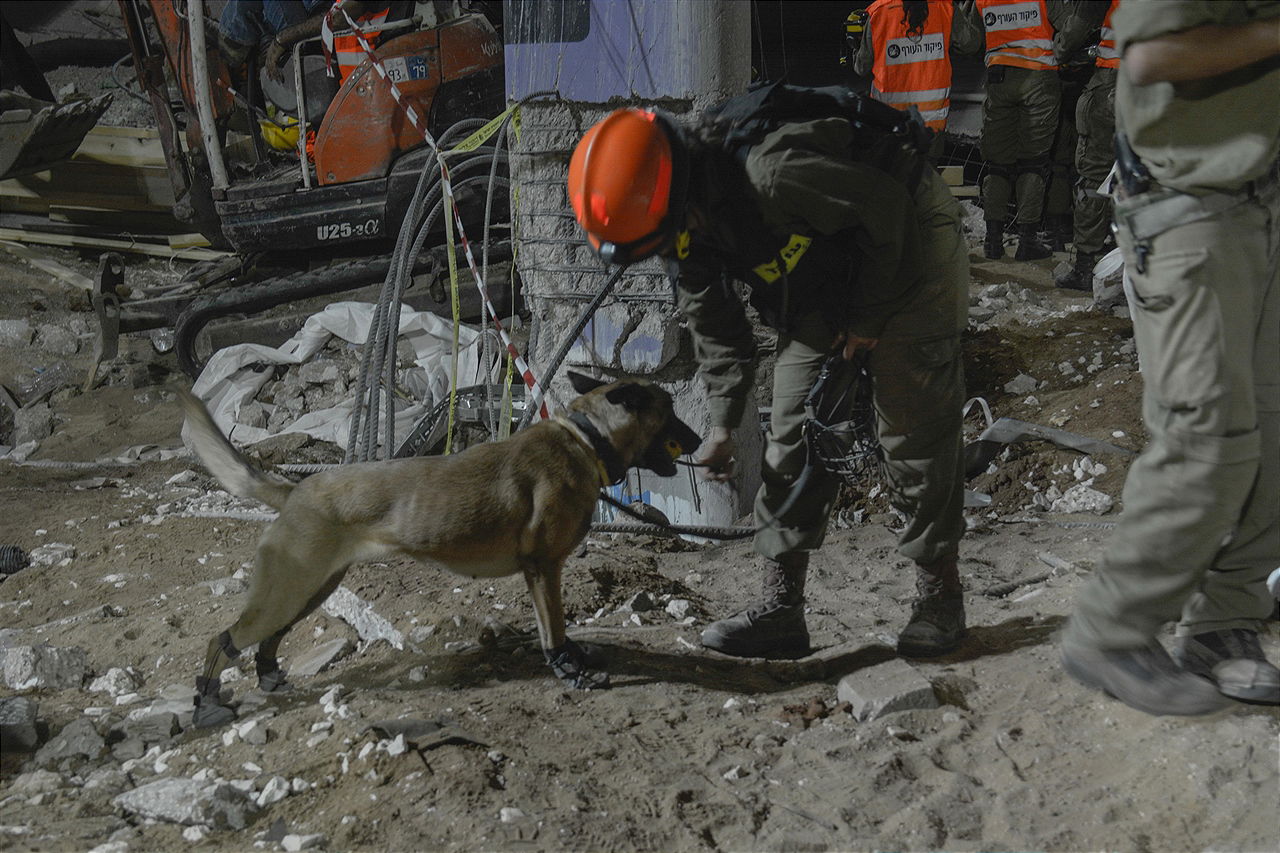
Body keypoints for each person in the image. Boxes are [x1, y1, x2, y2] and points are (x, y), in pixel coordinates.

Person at [567, 95, 970, 660]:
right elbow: (715, 327)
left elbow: (890, 214)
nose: (670, 247)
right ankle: (782, 611)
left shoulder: (772, 174)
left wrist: (866, 321)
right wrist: (724, 424)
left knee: (910, 425)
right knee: (793, 430)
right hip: (823, 265)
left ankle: (939, 599)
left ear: (678, 194)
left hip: (906, 236)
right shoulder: (680, 223)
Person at [1060, 0, 1280, 714]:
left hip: (1264, 202)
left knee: (1270, 429)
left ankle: (1224, 624)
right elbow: (1153, 52)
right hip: (1191, 205)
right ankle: (1111, 630)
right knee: (1206, 435)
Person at [957, 0, 1071, 261]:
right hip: (1038, 77)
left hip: (999, 77)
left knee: (997, 164)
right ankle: (1027, 241)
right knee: (1033, 163)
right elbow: (1069, 25)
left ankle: (993, 241)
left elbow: (970, 42)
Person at [1054, 0, 1119, 291]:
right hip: (1162, 86)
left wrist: (1060, 50)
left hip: (1114, 82)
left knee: (1094, 174)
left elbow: (1078, 27)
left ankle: (1085, 267)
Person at [851, 0, 961, 159]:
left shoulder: (879, 11)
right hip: (932, 123)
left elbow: (862, 67)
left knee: (891, 169)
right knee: (926, 170)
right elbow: (969, 43)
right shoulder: (945, 6)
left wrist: (855, 44)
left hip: (889, 123)